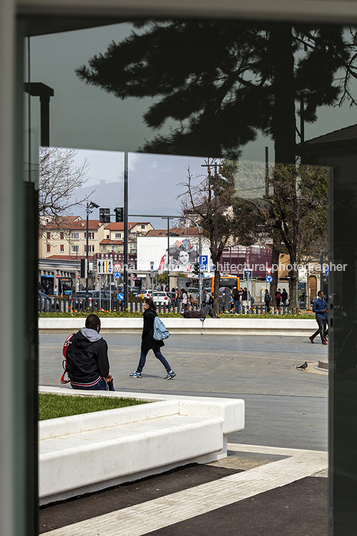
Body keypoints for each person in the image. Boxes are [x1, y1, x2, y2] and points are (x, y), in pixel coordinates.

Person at [66, 313, 115, 391]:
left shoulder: (74, 338)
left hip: (74, 381)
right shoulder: (100, 342)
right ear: (97, 326)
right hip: (92, 382)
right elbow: (104, 371)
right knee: (109, 382)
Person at [130, 298, 176, 379]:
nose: (143, 306)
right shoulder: (153, 313)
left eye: (144, 304)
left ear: (147, 305)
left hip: (148, 338)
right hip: (155, 338)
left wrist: (143, 337)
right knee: (158, 354)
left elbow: (146, 328)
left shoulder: (147, 314)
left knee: (143, 355)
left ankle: (138, 372)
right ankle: (170, 371)